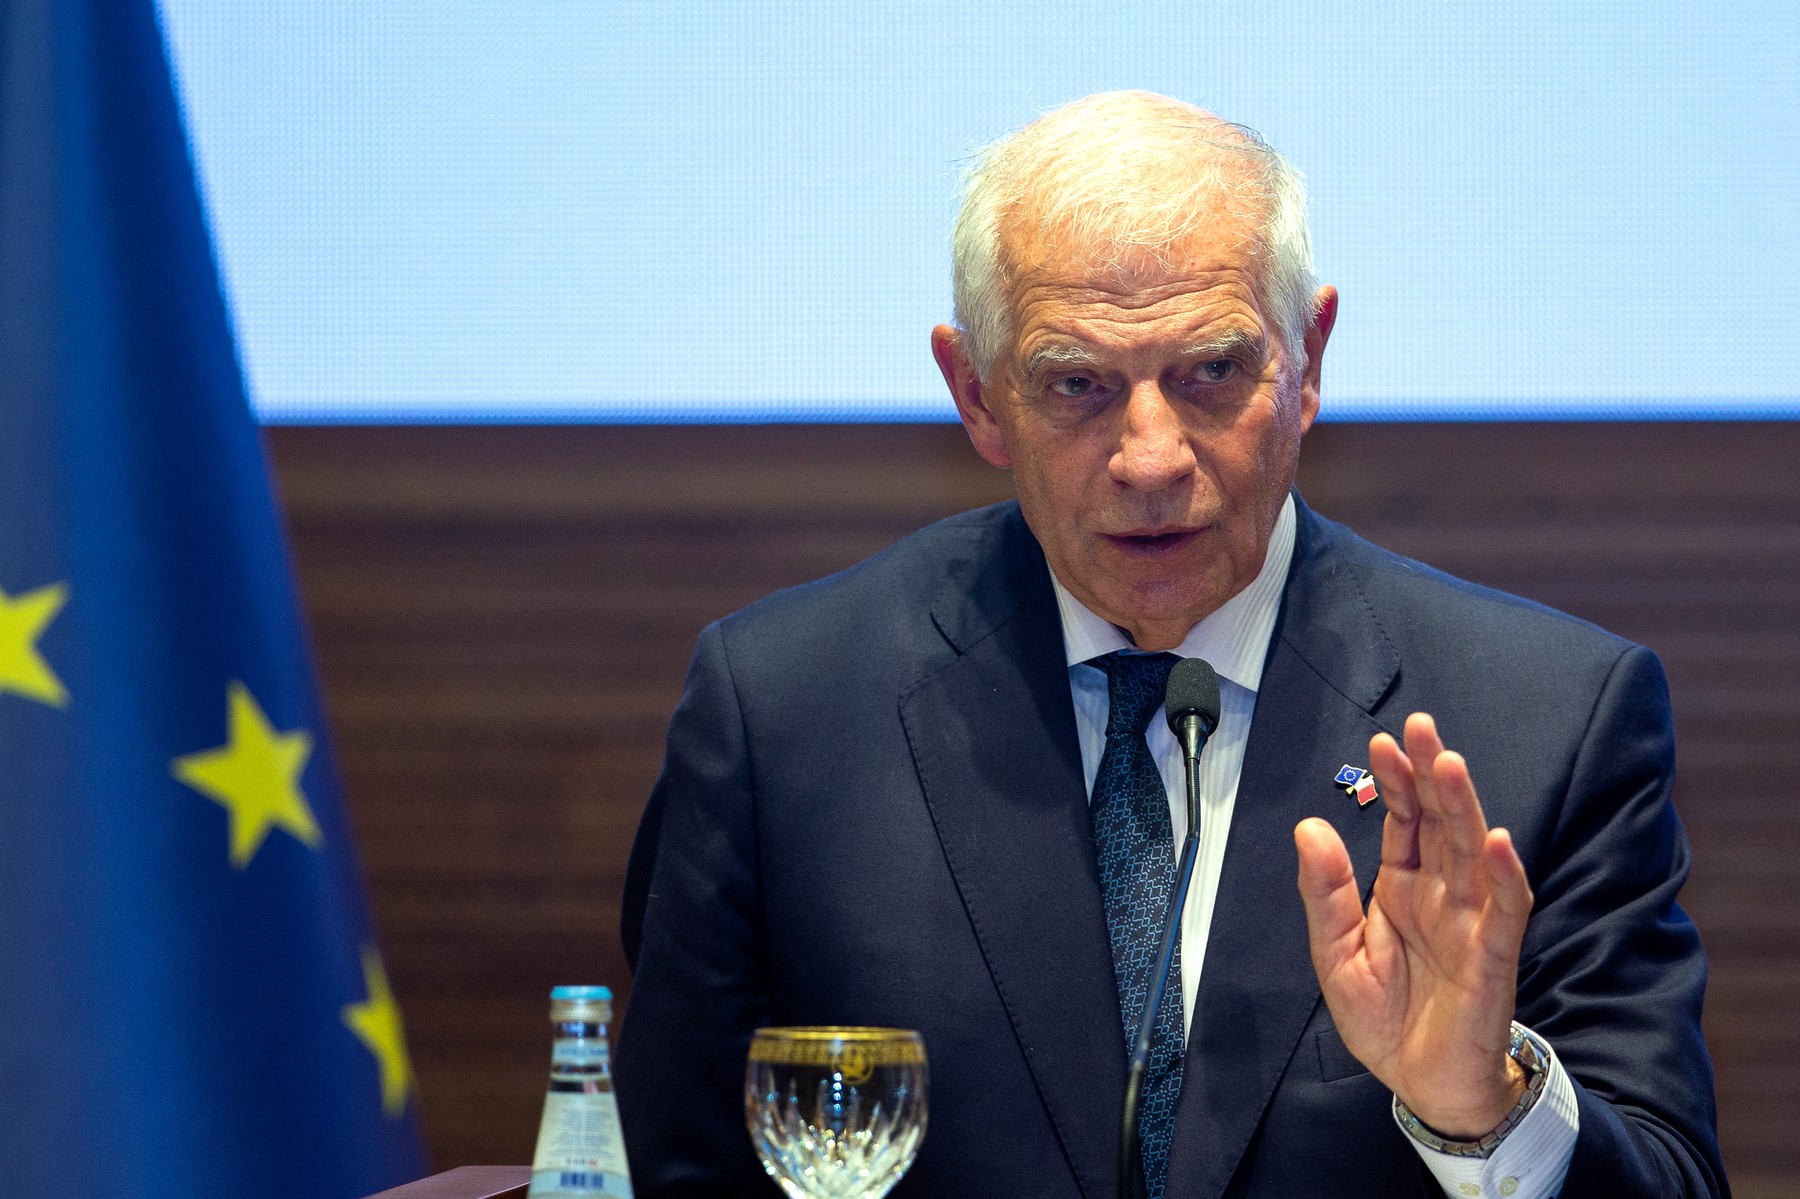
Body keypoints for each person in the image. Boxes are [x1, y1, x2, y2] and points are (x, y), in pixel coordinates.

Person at [613, 91, 1727, 1199]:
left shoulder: (1551, 721)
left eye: (1210, 371)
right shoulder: (784, 710)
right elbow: (686, 1169)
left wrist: (1484, 1105)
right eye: (1077, 385)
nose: (1150, 456)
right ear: (978, 393)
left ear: (1308, 359)